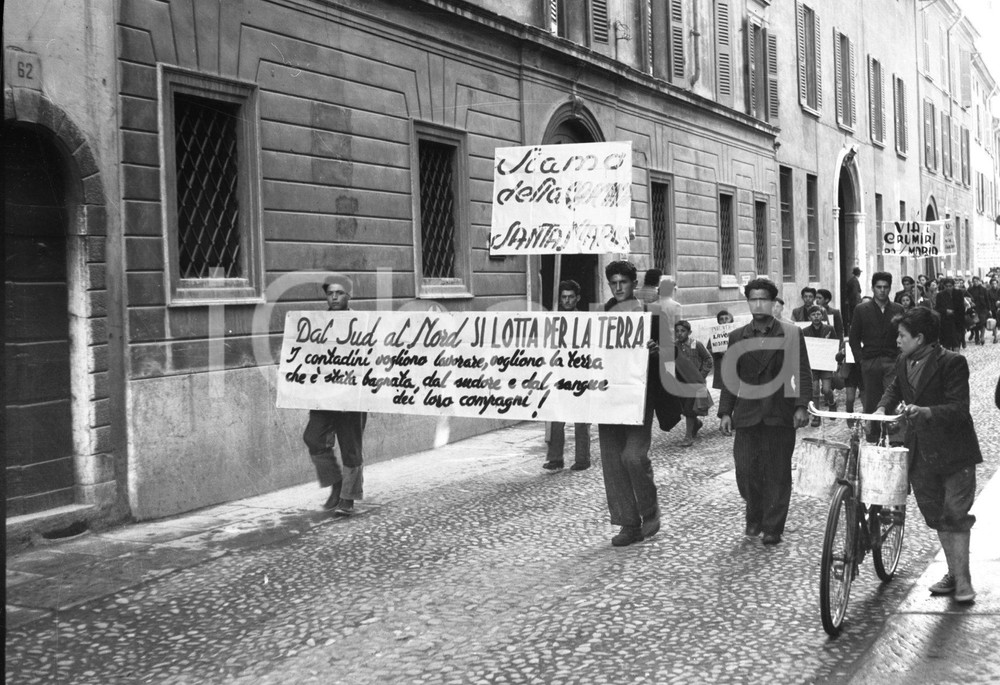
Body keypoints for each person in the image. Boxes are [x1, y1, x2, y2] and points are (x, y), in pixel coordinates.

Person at [875, 307, 982, 604]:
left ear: (920, 338)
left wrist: (926, 412)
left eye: (902, 335)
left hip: (955, 454)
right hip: (921, 454)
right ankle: (954, 573)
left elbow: (959, 409)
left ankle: (963, 581)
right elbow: (895, 388)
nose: (897, 340)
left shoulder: (952, 362)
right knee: (937, 516)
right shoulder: (903, 361)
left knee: (956, 515)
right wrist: (882, 407)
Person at [718, 278, 812, 546]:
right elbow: (730, 378)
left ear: (773, 303)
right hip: (747, 413)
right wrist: (726, 412)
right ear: (748, 302)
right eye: (753, 299)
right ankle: (755, 513)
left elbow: (802, 372)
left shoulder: (791, 333)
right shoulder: (737, 337)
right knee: (745, 470)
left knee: (777, 472)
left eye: (763, 299)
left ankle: (773, 526)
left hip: (779, 411)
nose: (758, 304)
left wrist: (801, 405)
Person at [598, 261, 671, 547]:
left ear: (633, 283)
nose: (618, 288)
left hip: (641, 396)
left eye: (623, 282)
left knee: (633, 456)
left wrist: (657, 351)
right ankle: (628, 524)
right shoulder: (599, 316)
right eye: (613, 283)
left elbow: (672, 354)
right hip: (607, 396)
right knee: (613, 461)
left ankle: (650, 511)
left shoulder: (651, 314)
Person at [302, 274, 367, 515]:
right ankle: (336, 482)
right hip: (324, 394)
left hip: (352, 395)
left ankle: (348, 498)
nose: (335, 297)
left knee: (350, 446)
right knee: (314, 438)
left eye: (339, 293)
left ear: (349, 295)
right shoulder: (316, 323)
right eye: (330, 293)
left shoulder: (363, 323)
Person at [848, 271, 903, 443]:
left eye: (885, 287)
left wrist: (900, 358)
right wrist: (860, 360)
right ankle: (873, 436)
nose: (882, 290)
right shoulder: (861, 309)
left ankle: (894, 437)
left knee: (892, 397)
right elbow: (854, 338)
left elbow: (903, 333)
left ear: (890, 288)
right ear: (872, 288)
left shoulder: (897, 309)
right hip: (870, 361)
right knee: (871, 400)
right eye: (879, 287)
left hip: (891, 360)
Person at [543, 280, 591, 471]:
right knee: (556, 418)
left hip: (580, 374)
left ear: (577, 298)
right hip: (559, 374)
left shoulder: (585, 319)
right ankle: (555, 458)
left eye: (571, 297)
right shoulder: (553, 318)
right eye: (564, 297)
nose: (567, 300)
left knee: (581, 420)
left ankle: (582, 459)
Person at [674, 320, 713, 447]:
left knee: (689, 409)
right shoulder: (674, 346)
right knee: (683, 408)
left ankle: (688, 437)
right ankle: (696, 424)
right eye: (677, 331)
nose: (679, 333)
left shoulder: (697, 344)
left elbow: (708, 359)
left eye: (683, 331)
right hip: (681, 383)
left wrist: (701, 375)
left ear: (689, 332)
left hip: (695, 383)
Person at [802, 304, 838, 426]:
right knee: (815, 390)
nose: (816, 317)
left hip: (825, 363)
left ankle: (832, 403)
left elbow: (835, 345)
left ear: (822, 316)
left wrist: (835, 361)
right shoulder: (805, 331)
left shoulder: (829, 329)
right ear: (809, 317)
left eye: (818, 314)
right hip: (812, 365)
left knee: (826, 389)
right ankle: (816, 416)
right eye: (813, 315)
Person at [709, 309, 734, 391]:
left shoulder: (737, 333)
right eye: (721, 319)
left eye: (726, 318)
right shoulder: (715, 335)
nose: (724, 321)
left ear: (731, 320)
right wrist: (717, 350)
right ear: (718, 322)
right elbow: (708, 351)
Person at [934, 277, 961, 351]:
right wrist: (946, 311)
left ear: (953, 286)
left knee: (956, 341)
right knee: (946, 343)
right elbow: (937, 308)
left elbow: (961, 307)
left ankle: (956, 356)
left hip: (956, 321)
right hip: (945, 322)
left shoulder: (958, 293)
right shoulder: (940, 295)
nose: (948, 288)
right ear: (944, 286)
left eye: (950, 286)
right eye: (947, 286)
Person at [966, 276, 989, 345]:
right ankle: (977, 337)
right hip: (974, 309)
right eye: (974, 281)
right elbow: (967, 298)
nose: (975, 282)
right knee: (975, 323)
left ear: (979, 281)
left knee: (982, 322)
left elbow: (987, 300)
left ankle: (982, 337)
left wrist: (989, 309)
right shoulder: (970, 289)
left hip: (983, 309)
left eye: (977, 281)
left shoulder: (983, 289)